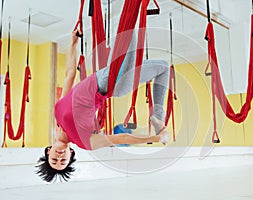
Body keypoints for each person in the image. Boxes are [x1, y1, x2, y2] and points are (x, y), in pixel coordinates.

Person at [36, 30, 170, 182]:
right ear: (71, 154)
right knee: (128, 31)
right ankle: (158, 120)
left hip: (104, 75)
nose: (59, 157)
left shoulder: (57, 113)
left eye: (54, 160)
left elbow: (70, 73)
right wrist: (155, 138)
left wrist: (73, 43)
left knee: (163, 67)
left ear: (48, 152)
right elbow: (121, 138)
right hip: (110, 83)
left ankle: (158, 117)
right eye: (63, 161)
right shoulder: (85, 142)